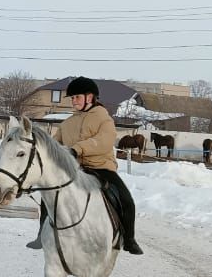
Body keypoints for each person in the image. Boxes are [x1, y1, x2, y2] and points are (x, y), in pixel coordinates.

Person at [26, 76, 143, 254]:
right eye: (72, 98)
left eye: (77, 97)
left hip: (101, 168)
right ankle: (42, 234)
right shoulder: (68, 122)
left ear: (90, 97)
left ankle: (129, 239)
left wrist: (76, 149)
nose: (74, 101)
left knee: (126, 200)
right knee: (48, 195)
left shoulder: (105, 119)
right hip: (74, 169)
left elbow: (104, 141)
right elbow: (55, 144)